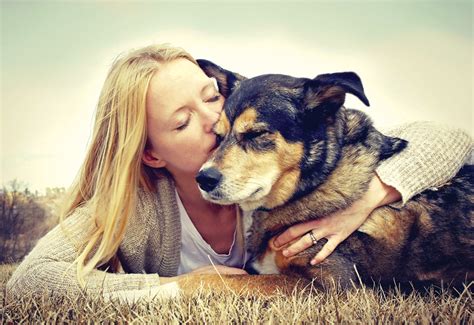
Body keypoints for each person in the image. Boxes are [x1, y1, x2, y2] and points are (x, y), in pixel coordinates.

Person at [6, 44, 472, 302]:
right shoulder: (140, 206)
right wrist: (182, 288)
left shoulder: (282, 179)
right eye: (182, 122)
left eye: (211, 98)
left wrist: (371, 198)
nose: (215, 121)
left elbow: (447, 139)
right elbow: (32, 282)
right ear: (151, 154)